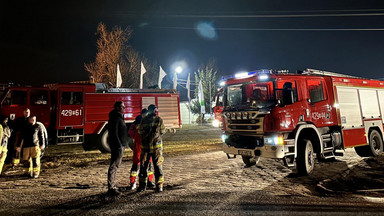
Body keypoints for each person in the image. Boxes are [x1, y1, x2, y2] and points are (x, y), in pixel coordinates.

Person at [137, 104, 165, 192]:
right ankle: (142, 185)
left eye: (155, 110)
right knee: (143, 167)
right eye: (153, 110)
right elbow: (140, 131)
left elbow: (162, 131)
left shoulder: (159, 120)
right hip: (146, 148)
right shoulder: (144, 120)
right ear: (150, 111)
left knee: (158, 167)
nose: (155, 111)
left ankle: (159, 185)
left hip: (156, 149)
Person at [128, 108, 155, 190]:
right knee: (137, 166)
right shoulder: (138, 124)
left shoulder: (140, 123)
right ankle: (133, 183)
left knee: (148, 166)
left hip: (144, 147)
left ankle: (148, 181)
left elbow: (131, 134)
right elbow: (131, 134)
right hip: (140, 147)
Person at [107, 101, 130, 195]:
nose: (124, 108)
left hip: (120, 145)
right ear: (117, 108)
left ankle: (112, 185)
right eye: (122, 107)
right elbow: (114, 133)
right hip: (118, 146)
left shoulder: (118, 117)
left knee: (116, 165)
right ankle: (111, 187)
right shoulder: (116, 118)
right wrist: (119, 145)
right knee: (114, 165)